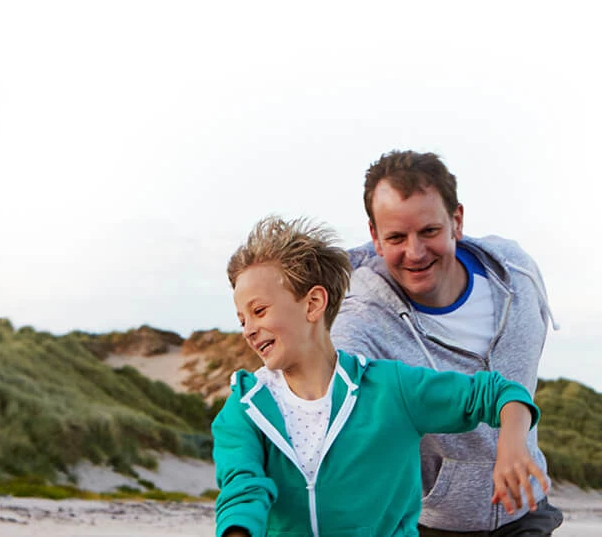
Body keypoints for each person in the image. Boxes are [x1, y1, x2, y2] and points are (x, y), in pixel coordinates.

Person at [213, 216, 546, 537]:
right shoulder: (246, 409)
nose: (249, 330)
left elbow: (498, 393)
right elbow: (243, 489)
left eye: (259, 311)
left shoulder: (390, 390)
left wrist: (512, 445)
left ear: (313, 303)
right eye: (242, 320)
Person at [331, 150, 562, 536]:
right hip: (433, 522)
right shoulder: (363, 317)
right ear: (374, 237)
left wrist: (512, 441)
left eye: (429, 232)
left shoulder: (517, 277)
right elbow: (331, 394)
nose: (415, 252)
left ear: (456, 221)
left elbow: (516, 385)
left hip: (526, 509)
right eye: (396, 237)